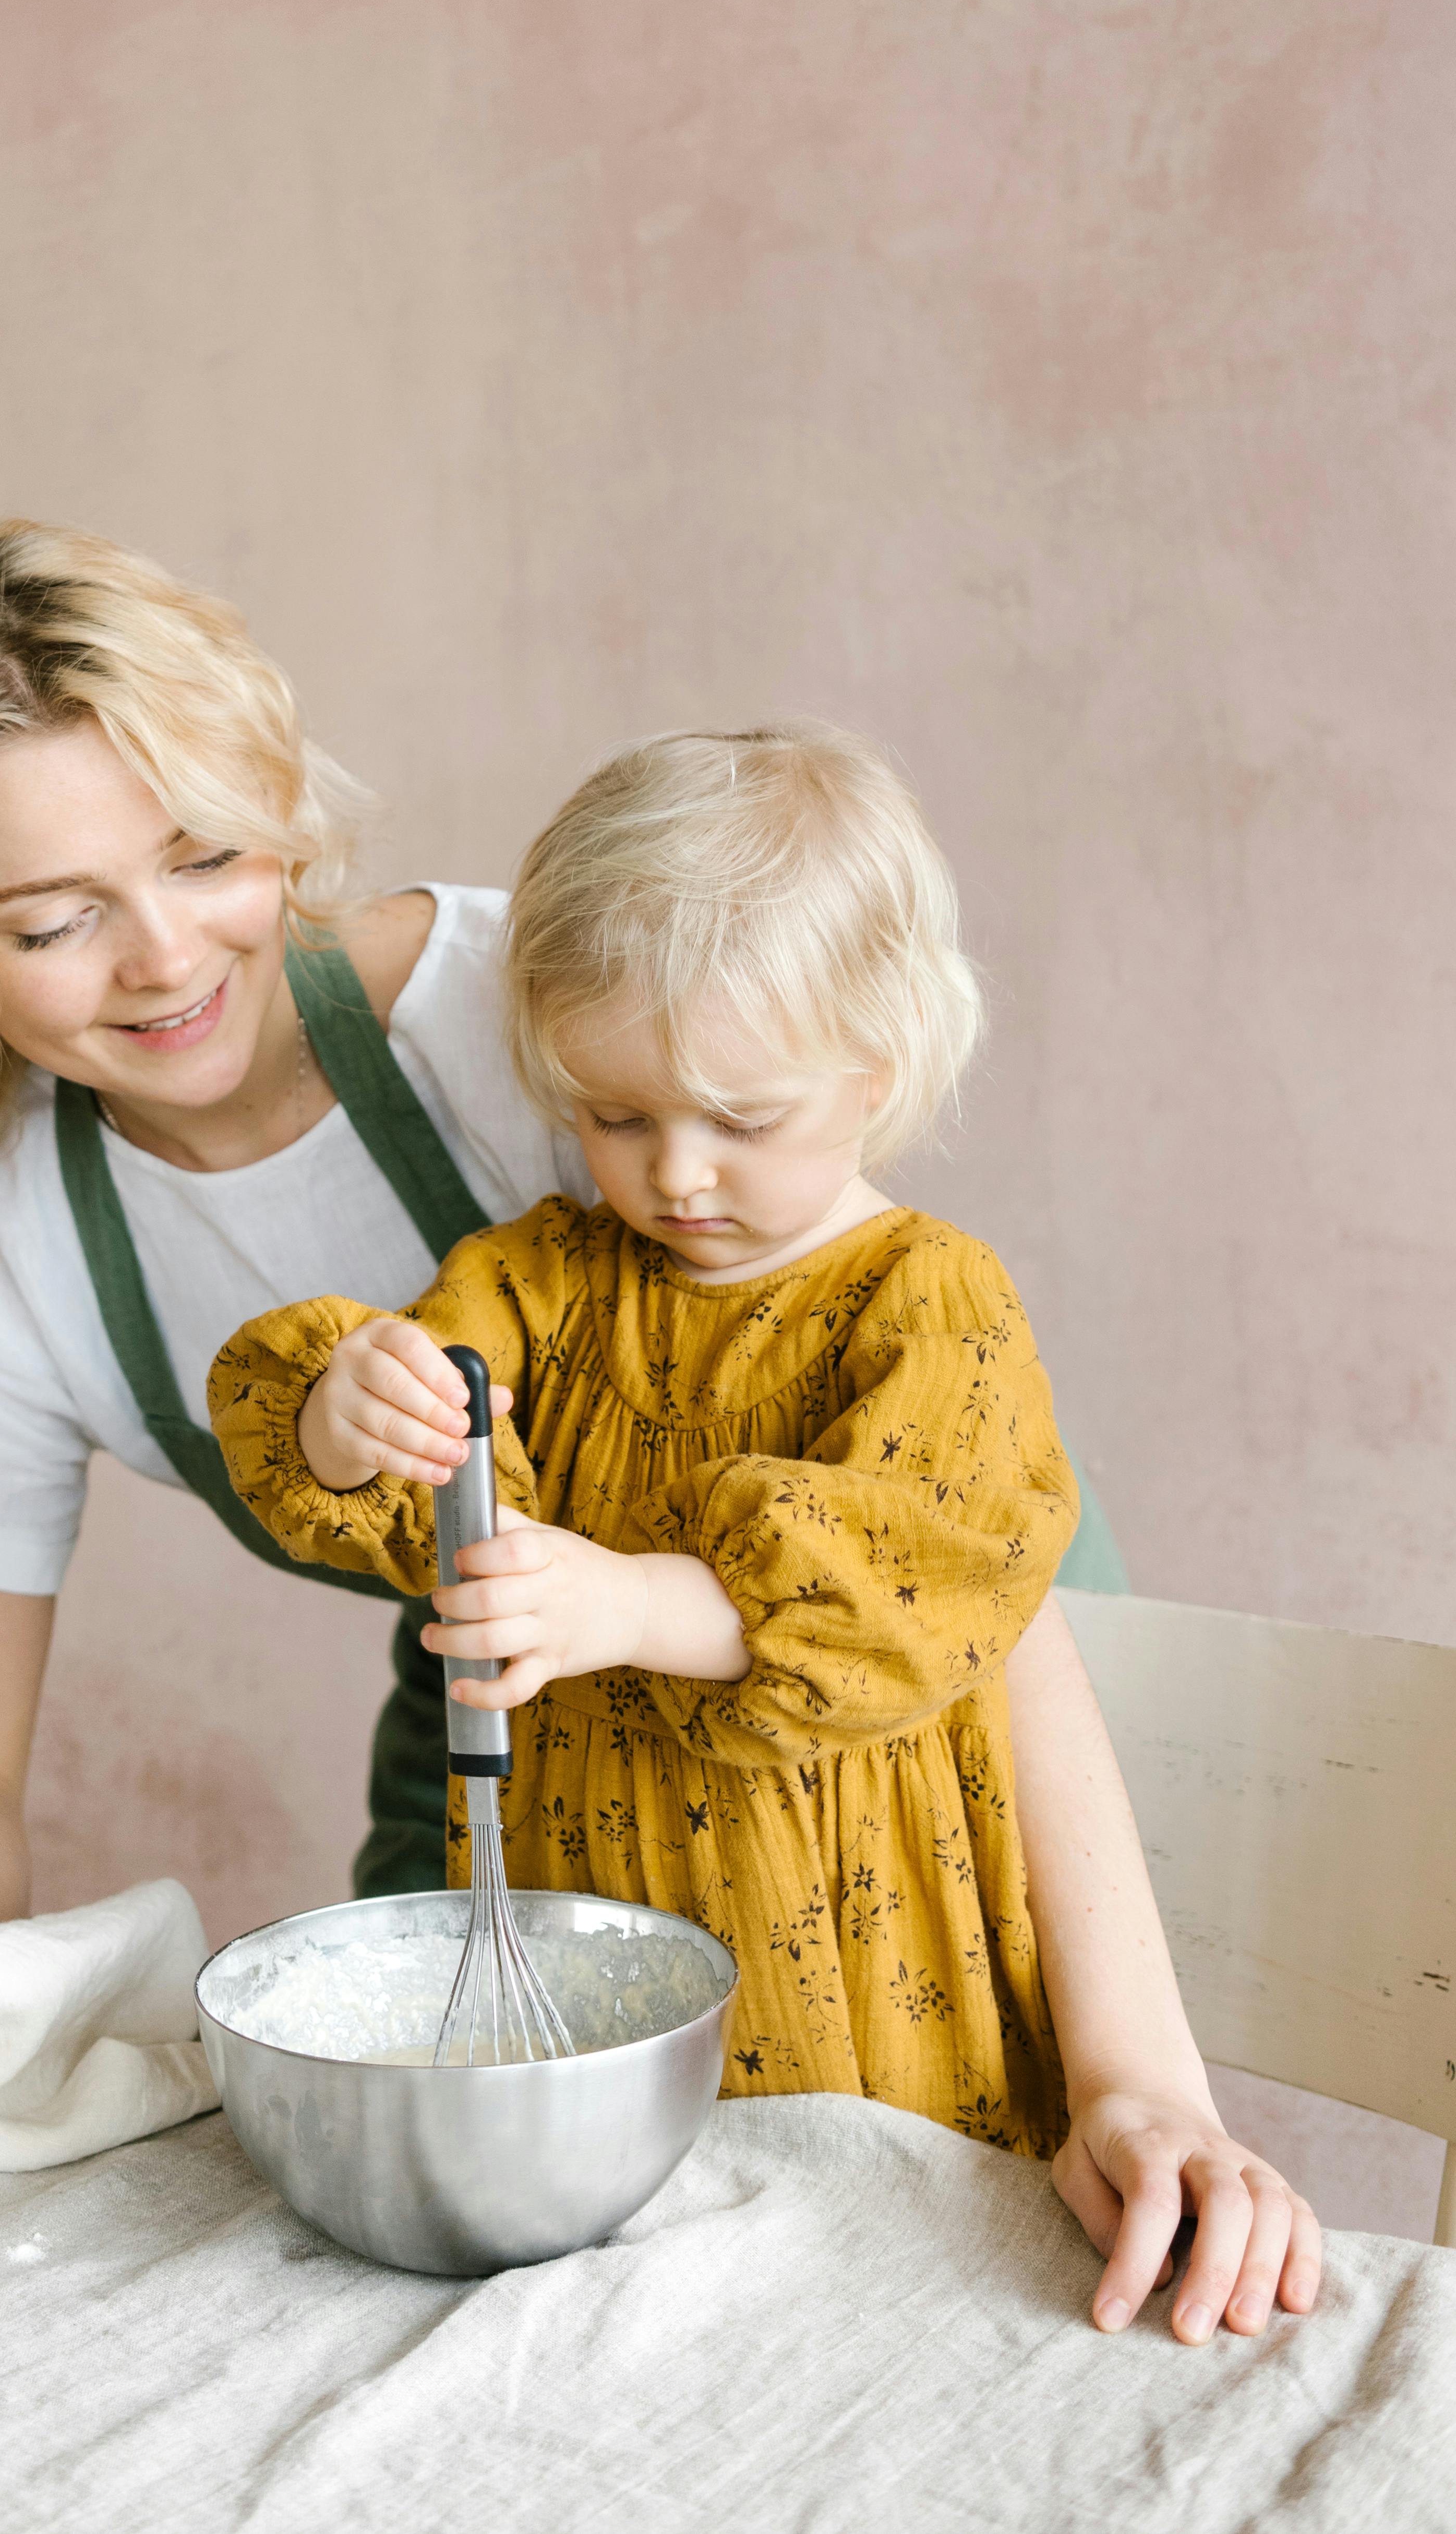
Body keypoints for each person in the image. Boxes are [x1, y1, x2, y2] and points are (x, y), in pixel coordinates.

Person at [0, 522, 1313, 2339]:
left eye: (206, 855)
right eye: (50, 920)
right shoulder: (18, 1256)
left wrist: (1142, 2066)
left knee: (995, 2195)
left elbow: (962, 1587)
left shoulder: (564, 1023)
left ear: (280, 809)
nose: (164, 952)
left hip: (939, 1705)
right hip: (541, 1707)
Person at [213, 726, 1322, 2329]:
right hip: (590, 2061)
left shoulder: (928, 1304)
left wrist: (638, 1605)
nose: (674, 1172)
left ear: (879, 1063)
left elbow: (905, 1569)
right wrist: (346, 1403)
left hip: (881, 2034)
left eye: (740, 1114)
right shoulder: (539, 1282)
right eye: (613, 1114)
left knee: (864, 2338)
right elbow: (383, 1443)